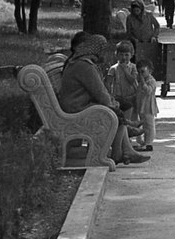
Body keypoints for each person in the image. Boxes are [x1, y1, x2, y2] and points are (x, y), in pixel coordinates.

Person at [57, 33, 149, 165]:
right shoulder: (84, 66)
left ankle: (126, 148)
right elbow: (99, 91)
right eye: (102, 50)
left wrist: (111, 102)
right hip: (76, 108)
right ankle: (120, 151)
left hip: (76, 105)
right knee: (114, 112)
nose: (103, 54)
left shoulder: (78, 62)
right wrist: (111, 104)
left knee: (115, 110)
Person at [106, 41, 139, 117]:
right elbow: (108, 82)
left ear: (131, 55)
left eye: (126, 55)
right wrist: (110, 95)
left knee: (133, 116)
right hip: (119, 96)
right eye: (121, 55)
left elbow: (132, 80)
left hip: (132, 95)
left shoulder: (133, 67)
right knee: (121, 116)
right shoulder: (113, 68)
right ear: (116, 55)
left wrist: (125, 70)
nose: (123, 57)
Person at [135, 58, 159, 152]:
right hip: (141, 106)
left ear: (149, 71)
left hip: (148, 107)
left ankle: (148, 142)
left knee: (149, 126)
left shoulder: (151, 81)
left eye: (143, 72)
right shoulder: (141, 81)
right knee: (141, 124)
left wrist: (143, 82)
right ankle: (142, 142)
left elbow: (148, 90)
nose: (141, 74)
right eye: (139, 72)